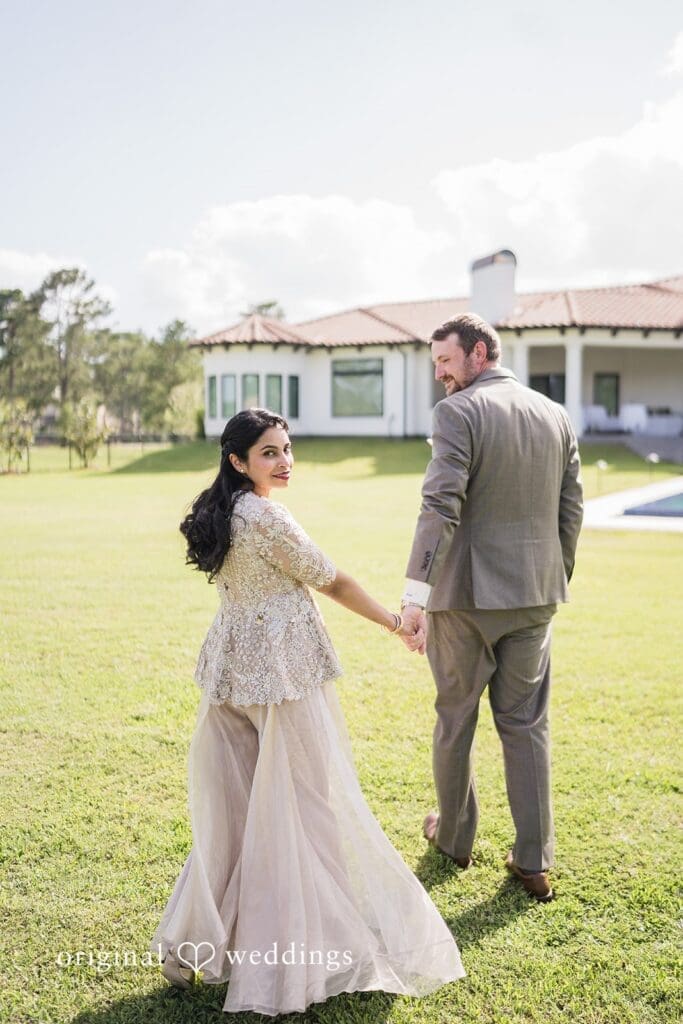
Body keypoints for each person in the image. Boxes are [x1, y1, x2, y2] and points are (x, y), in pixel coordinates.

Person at [149, 408, 465, 1016]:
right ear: (238, 460)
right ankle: (302, 954)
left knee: (240, 813)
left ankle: (204, 943)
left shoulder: (229, 508)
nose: (285, 461)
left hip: (234, 673)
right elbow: (332, 580)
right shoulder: (263, 514)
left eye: (287, 449)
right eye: (269, 452)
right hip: (279, 675)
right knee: (305, 805)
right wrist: (395, 623)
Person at [400, 313, 584, 902]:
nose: (439, 375)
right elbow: (571, 510)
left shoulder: (457, 413)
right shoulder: (555, 415)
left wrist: (414, 595)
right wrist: (551, 578)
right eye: (435, 364)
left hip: (466, 600)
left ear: (479, 353)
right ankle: (533, 860)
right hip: (535, 596)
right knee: (526, 726)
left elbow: (439, 506)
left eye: (446, 361)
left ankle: (454, 839)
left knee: (456, 719)